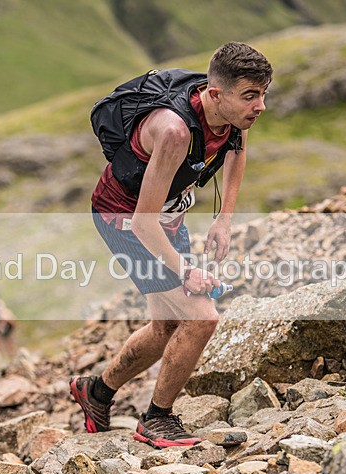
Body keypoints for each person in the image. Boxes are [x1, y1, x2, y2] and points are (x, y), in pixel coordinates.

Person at [71, 42, 272, 448]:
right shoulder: (175, 131)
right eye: (251, 95)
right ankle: (156, 420)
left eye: (264, 93)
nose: (260, 106)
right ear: (215, 94)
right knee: (201, 317)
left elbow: (237, 149)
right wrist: (187, 270)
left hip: (167, 214)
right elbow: (143, 223)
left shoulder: (231, 113)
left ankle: (97, 392)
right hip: (125, 219)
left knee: (167, 323)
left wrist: (225, 217)